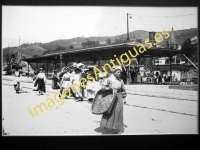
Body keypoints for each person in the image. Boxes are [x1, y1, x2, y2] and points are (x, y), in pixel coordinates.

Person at [100, 66, 126, 134]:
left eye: (120, 72)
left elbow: (123, 90)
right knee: (109, 111)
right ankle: (108, 127)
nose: (119, 73)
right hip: (110, 96)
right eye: (118, 72)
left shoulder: (121, 80)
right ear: (114, 72)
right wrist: (109, 89)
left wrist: (124, 98)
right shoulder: (109, 79)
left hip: (118, 97)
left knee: (118, 111)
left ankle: (116, 128)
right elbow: (103, 88)